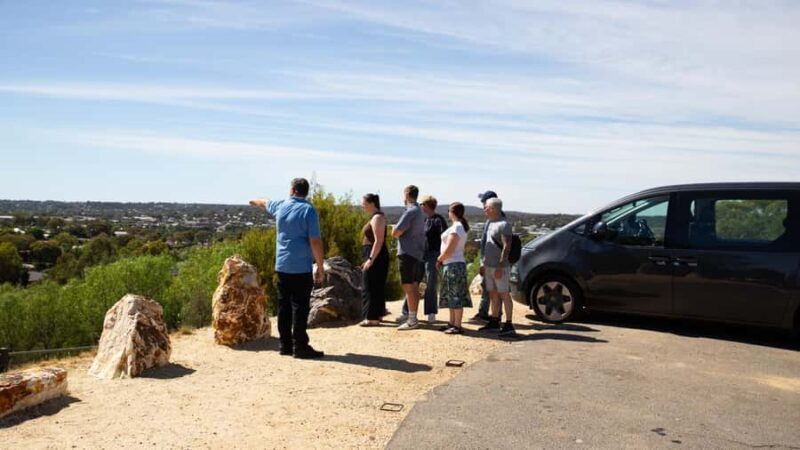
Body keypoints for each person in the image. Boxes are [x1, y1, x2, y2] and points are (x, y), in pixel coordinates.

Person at [249, 178, 325, 359]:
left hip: (282, 265)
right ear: (305, 192)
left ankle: (285, 345)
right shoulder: (308, 210)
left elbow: (264, 202)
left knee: (284, 306)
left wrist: (253, 201)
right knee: (300, 307)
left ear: (292, 190)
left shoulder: (281, 206)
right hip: (301, 267)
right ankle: (300, 346)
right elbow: (315, 241)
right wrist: (320, 267)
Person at [397, 195, 447, 324]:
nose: (420, 206)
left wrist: (441, 257)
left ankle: (431, 312)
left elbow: (444, 238)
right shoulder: (422, 220)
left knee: (431, 283)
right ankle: (407, 312)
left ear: (427, 205)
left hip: (433, 254)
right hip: (420, 254)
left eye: (422, 204)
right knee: (413, 283)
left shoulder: (438, 220)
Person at [478, 197, 517, 337]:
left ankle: (509, 324)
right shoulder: (489, 223)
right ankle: (494, 321)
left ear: (493, 209)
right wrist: (482, 263)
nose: (484, 209)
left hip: (500, 267)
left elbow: (507, 246)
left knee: (504, 294)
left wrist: (501, 266)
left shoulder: (504, 224)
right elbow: (485, 244)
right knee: (493, 294)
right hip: (488, 265)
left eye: (486, 207)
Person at [392, 185, 426, 330]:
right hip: (417, 254)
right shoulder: (419, 211)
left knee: (408, 286)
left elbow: (396, 232)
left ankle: (412, 319)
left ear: (406, 194)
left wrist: (394, 230)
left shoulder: (410, 211)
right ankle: (413, 316)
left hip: (407, 253)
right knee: (414, 286)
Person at [436, 202, 472, 334]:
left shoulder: (457, 227)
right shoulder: (458, 226)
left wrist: (439, 259)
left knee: (456, 295)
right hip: (450, 264)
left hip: (454, 265)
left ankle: (457, 325)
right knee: (451, 295)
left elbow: (450, 249)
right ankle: (452, 323)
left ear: (452, 212)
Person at [471, 190, 505, 322]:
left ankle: (494, 315)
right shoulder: (495, 218)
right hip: (491, 260)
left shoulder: (496, 220)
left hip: (493, 261)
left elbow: (489, 243)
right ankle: (486, 313)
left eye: (484, 202)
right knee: (488, 287)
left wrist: (483, 262)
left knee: (493, 288)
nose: (482, 205)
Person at [359, 193, 389, 326]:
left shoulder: (377, 217)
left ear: (372, 204)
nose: (362, 206)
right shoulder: (375, 217)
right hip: (373, 254)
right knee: (375, 284)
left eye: (364, 203)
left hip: (376, 255)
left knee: (370, 285)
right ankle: (377, 314)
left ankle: (371, 317)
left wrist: (370, 259)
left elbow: (379, 240)